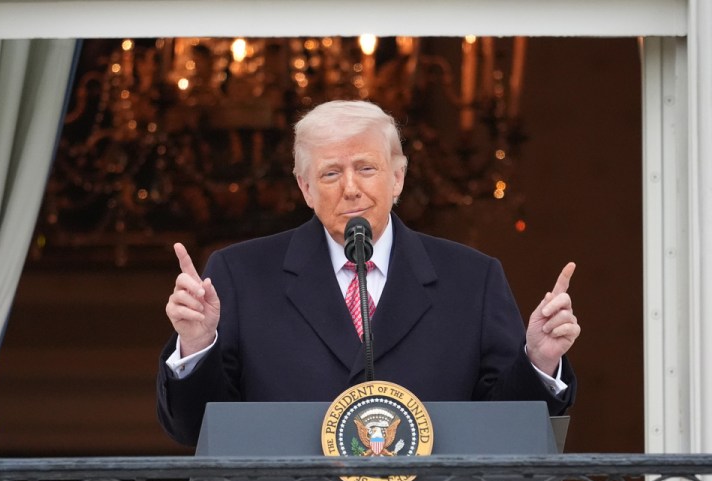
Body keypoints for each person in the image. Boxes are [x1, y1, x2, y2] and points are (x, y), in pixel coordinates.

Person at [157, 100, 580, 447]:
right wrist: (196, 346)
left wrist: (540, 360)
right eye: (330, 173)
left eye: (366, 168)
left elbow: (509, 433)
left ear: (397, 177)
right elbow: (196, 432)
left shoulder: (472, 279)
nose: (351, 188)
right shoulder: (239, 274)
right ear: (305, 188)